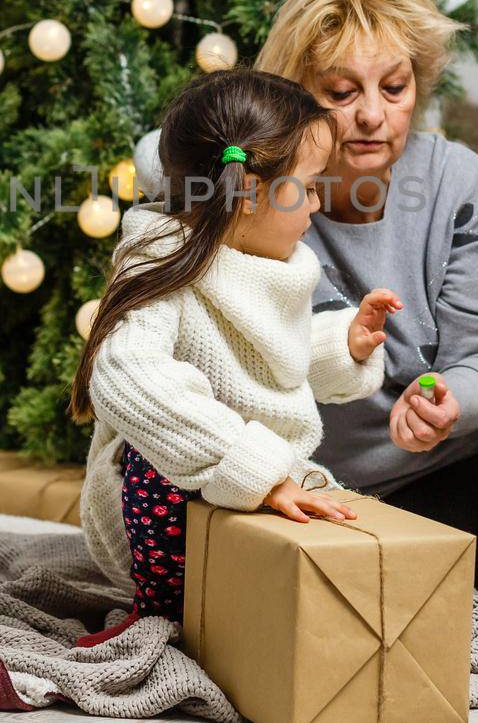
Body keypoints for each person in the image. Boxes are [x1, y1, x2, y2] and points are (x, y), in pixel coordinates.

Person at [71, 68, 399, 646]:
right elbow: (127, 375)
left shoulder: (273, 260)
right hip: (169, 494)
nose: (319, 203)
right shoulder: (160, 258)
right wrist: (256, 470)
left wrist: (342, 346)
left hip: (259, 480)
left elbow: (272, 363)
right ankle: (160, 613)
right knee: (155, 470)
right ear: (248, 192)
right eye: (311, 185)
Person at [255, 0, 478, 591]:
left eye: (395, 88)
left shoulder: (458, 182)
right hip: (289, 484)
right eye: (343, 92)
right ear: (295, 95)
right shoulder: (256, 195)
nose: (374, 116)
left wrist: (449, 401)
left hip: (435, 475)